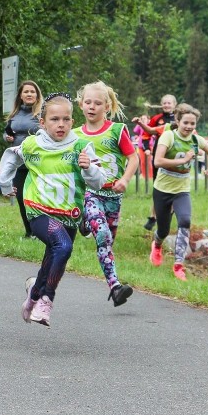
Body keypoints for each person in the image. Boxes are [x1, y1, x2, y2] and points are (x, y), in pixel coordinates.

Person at [0, 93, 106, 326]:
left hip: (69, 214)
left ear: (72, 122)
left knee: (55, 255)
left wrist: (89, 170)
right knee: (63, 246)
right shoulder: (32, 144)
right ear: (43, 123)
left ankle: (34, 294)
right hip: (38, 210)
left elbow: (99, 181)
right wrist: (5, 184)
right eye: (55, 119)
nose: (61, 125)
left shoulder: (81, 146)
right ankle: (47, 300)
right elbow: (10, 157)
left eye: (66, 119)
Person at [74, 81, 138, 306]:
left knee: (107, 242)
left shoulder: (116, 131)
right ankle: (115, 286)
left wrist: (125, 179)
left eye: (97, 103)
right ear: (81, 105)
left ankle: (85, 221)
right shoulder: (74, 136)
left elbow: (133, 158)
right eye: (88, 102)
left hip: (114, 196)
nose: (92, 107)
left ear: (107, 106)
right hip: (90, 193)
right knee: (103, 235)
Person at [149, 104, 208, 281]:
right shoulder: (168, 136)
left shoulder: (195, 140)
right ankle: (157, 244)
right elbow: (157, 161)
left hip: (182, 190)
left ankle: (179, 265)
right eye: (186, 122)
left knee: (185, 221)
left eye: (192, 124)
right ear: (177, 121)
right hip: (162, 189)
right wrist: (184, 160)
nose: (189, 127)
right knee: (163, 229)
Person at [3, 80, 43, 239]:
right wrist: (6, 137)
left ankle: (40, 231)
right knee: (20, 197)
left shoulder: (41, 114)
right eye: (26, 91)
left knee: (37, 197)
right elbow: (6, 132)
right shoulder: (14, 114)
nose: (29, 94)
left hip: (37, 161)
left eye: (32, 92)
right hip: (19, 161)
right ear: (20, 95)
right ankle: (29, 232)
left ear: (37, 95)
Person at [133, 94, 176, 230]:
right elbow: (146, 134)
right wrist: (146, 149)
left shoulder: (180, 119)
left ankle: (168, 216)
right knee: (158, 187)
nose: (167, 105)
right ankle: (153, 217)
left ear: (174, 104)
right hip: (159, 156)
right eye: (164, 103)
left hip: (175, 158)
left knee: (175, 188)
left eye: (169, 103)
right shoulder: (157, 119)